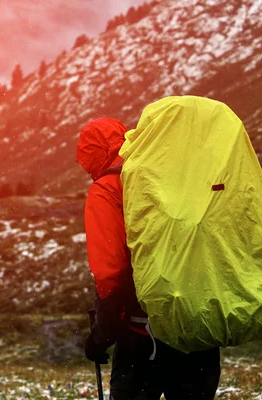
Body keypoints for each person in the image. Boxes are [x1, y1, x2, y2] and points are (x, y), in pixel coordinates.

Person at [76, 117, 221, 399]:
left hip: (143, 338)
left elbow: (110, 272)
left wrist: (100, 337)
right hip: (198, 327)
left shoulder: (108, 188)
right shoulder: (172, 174)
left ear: (93, 156)